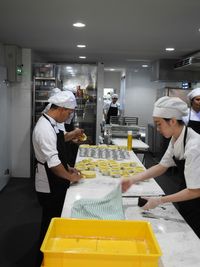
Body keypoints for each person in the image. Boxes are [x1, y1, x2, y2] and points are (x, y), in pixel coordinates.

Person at [121, 96, 200, 238]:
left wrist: (160, 200)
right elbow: (162, 166)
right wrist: (133, 179)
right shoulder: (176, 138)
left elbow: (195, 191)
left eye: (159, 124)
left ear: (173, 121)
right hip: (186, 196)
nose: (157, 129)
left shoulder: (194, 146)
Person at [32, 90, 82, 265]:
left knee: (56, 217)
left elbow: (57, 151)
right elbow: (52, 163)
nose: (68, 117)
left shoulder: (51, 123)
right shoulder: (44, 128)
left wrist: (68, 167)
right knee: (50, 221)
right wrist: (70, 177)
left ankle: (54, 252)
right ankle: (44, 258)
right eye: (68, 113)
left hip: (55, 178)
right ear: (61, 109)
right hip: (48, 181)